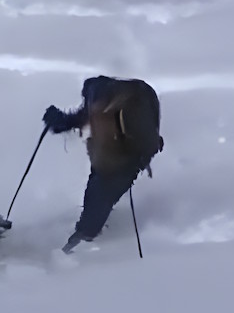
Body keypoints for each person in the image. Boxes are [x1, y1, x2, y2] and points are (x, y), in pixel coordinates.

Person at [42, 75, 164, 254]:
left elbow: (146, 139)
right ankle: (81, 241)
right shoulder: (106, 97)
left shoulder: (123, 101)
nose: (87, 104)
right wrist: (59, 120)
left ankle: (78, 248)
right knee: (96, 197)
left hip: (122, 163)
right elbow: (81, 117)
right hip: (111, 162)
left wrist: (138, 158)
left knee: (98, 200)